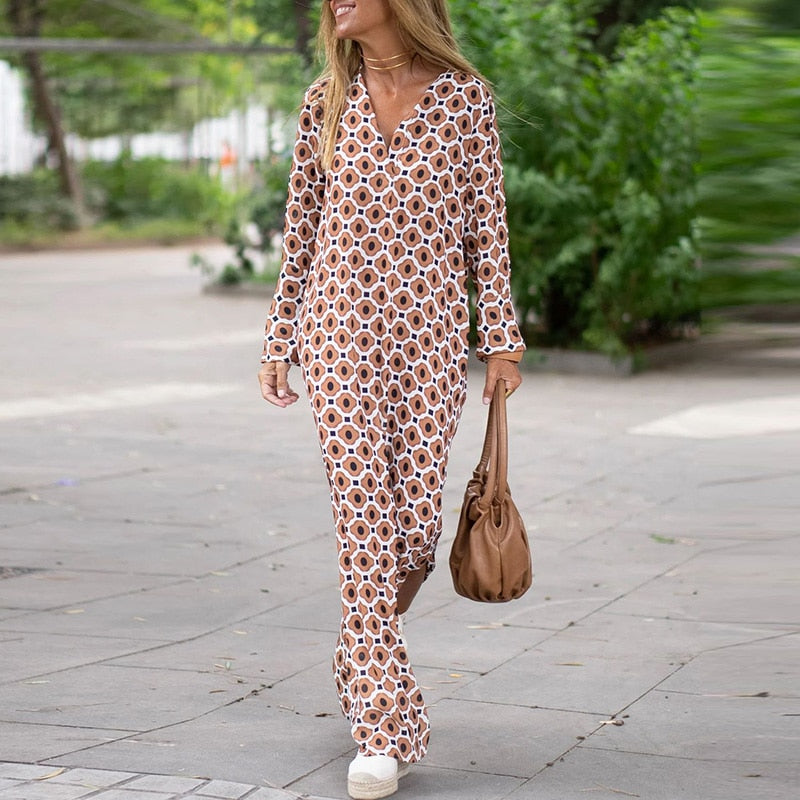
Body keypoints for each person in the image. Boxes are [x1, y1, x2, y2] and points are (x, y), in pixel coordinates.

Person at [258, 1, 524, 797]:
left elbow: (487, 226)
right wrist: (279, 338)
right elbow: (301, 231)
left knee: (412, 536)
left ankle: (360, 644)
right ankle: (381, 727)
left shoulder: (464, 100)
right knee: (364, 531)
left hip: (430, 343)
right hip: (338, 338)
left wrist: (501, 337)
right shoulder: (324, 102)